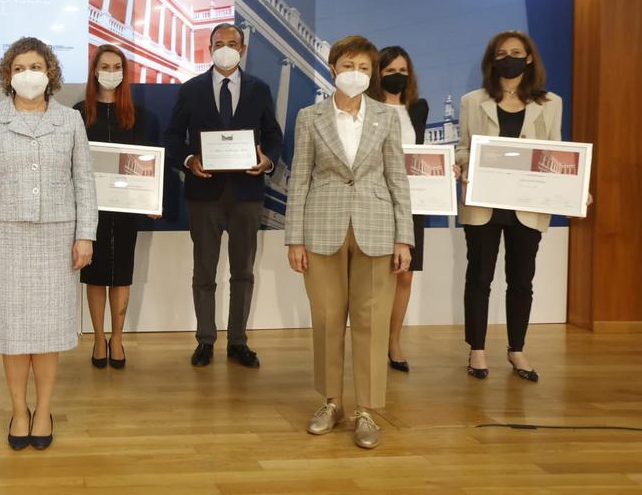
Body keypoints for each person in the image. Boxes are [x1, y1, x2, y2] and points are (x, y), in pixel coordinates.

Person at [0, 37, 96, 451]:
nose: (28, 74)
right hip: (6, 237)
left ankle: (44, 410)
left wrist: (85, 235)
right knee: (13, 331)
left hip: (58, 237)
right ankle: (19, 410)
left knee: (49, 330)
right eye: (19, 68)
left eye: (35, 66)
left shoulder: (70, 121)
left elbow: (85, 182)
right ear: (7, 75)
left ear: (50, 72)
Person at [285, 35, 414, 450]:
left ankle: (367, 411)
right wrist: (294, 239)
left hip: (376, 227)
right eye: (347, 66)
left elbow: (398, 178)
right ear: (332, 69)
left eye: (363, 67)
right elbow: (299, 178)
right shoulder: (310, 117)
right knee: (326, 318)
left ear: (371, 73)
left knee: (371, 321)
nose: (355, 74)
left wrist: (404, 238)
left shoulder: (386, 118)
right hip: (321, 227)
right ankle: (332, 402)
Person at [164, 22, 283, 368]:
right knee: (204, 271)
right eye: (219, 43)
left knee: (243, 271)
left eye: (233, 43)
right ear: (209, 48)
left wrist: (267, 160)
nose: (226, 48)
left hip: (247, 194)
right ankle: (205, 340)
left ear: (242, 49)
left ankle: (238, 341)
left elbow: (274, 137)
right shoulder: (190, 90)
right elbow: (173, 136)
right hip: (204, 194)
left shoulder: (259, 89)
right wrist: (189, 160)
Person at [456, 30, 567, 383]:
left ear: (530, 58)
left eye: (516, 52)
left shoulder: (551, 103)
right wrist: (461, 164)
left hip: (528, 206)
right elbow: (462, 147)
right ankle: (477, 349)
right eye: (502, 53)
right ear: (493, 60)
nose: (509, 57)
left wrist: (573, 189)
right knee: (479, 278)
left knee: (521, 280)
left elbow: (557, 154)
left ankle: (517, 350)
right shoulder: (472, 101)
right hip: (484, 204)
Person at [73, 44, 156, 370]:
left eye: (116, 66)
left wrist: (151, 198)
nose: (110, 72)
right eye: (104, 67)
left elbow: (149, 163)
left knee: (121, 274)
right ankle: (97, 338)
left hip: (126, 207)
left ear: (124, 73)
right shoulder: (78, 112)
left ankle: (117, 338)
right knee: (95, 274)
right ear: (95, 72)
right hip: (90, 208)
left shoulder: (139, 115)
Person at [368, 45, 429, 373]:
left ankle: (394, 341)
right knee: (377, 274)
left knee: (404, 274)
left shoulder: (418, 108)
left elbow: (422, 153)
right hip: (376, 199)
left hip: (413, 200)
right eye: (390, 71)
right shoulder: (367, 108)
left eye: (402, 71)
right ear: (378, 74)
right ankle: (372, 341)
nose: (397, 77)